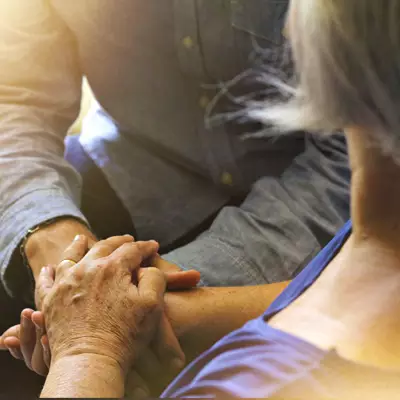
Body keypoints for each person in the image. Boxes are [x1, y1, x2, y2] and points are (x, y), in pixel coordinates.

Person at [5, 0, 400, 398]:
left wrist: (88, 346)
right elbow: (14, 100)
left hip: (315, 201)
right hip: (129, 174)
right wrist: (56, 252)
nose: (286, 29)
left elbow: (349, 156)